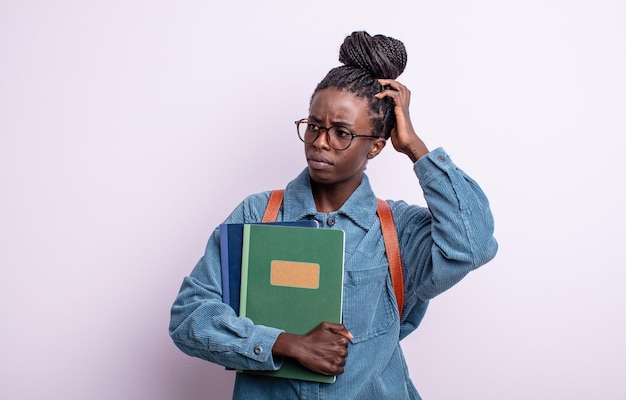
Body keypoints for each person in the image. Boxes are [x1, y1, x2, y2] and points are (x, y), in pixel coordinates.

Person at [169, 31, 498, 399]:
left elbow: (474, 244)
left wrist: (415, 148)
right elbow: (189, 316)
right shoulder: (258, 213)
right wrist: (283, 343)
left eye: (342, 133)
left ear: (375, 145)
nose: (321, 142)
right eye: (314, 126)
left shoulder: (398, 230)